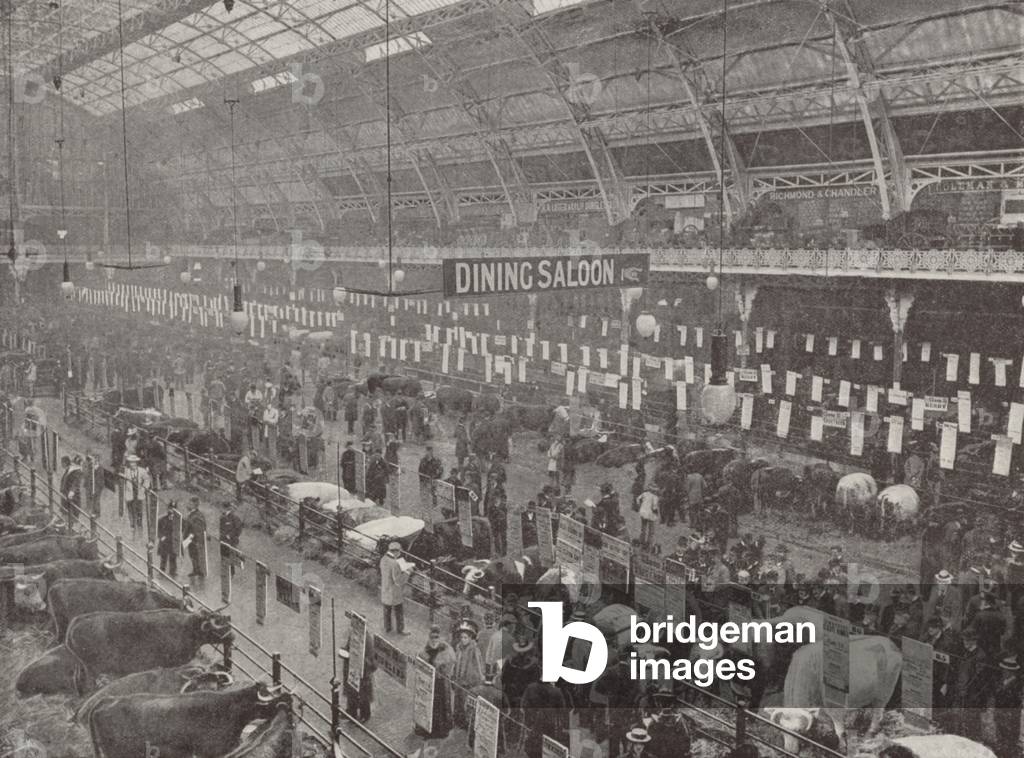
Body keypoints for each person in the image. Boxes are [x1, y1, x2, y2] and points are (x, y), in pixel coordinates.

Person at [418, 625, 456, 739]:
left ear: (439, 637)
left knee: (442, 706)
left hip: (441, 683)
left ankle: (441, 730)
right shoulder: (425, 649)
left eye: (436, 637)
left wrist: (443, 671)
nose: (434, 639)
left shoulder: (446, 649)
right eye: (432, 637)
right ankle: (428, 729)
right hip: (429, 683)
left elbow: (452, 662)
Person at [452, 620, 485, 729]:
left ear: (471, 638)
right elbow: (456, 662)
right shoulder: (458, 647)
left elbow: (479, 666)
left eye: (465, 638)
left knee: (466, 701)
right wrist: (453, 674)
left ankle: (465, 722)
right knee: (458, 700)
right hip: (459, 679)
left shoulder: (474, 649)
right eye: (461, 637)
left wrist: (481, 679)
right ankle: (457, 718)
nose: (463, 640)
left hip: (469, 681)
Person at [338, 634, 376, 723]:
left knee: (363, 694)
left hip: (363, 671)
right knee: (351, 691)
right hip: (352, 669)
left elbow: (370, 660)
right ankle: (351, 712)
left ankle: (365, 714)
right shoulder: (353, 634)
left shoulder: (367, 639)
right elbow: (348, 647)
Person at [993, 655, 1023, 758]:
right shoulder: (1000, 682)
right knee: (1001, 737)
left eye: (1005, 670)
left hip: (1010, 716)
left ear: (1011, 671)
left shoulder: (1017, 684)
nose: (1003, 672)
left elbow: (1016, 701)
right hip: (1000, 714)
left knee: (1010, 740)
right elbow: (996, 694)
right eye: (1003, 670)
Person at [380, 541, 411, 635]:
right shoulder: (395, 563)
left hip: (385, 588)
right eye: (399, 552)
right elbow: (398, 581)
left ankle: (387, 628)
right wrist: (407, 572)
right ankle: (400, 629)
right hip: (394, 591)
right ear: (396, 551)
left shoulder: (383, 559)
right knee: (399, 610)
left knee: (387, 609)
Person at [122, 454, 151, 531]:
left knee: (139, 510)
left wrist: (143, 488)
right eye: (131, 463)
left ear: (136, 463)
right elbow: (122, 479)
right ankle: (132, 525)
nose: (133, 464)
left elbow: (147, 480)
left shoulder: (142, 471)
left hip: (139, 493)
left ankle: (139, 524)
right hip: (130, 493)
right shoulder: (126, 471)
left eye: (134, 462)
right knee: (130, 509)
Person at [184, 497, 207, 578]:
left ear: (195, 505)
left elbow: (198, 529)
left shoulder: (197, 516)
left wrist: (193, 538)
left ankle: (200, 571)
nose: (188, 505)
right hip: (190, 539)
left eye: (190, 503)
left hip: (194, 540)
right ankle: (195, 569)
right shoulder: (191, 514)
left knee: (196, 555)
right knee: (192, 555)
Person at [219, 502, 243, 578]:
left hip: (231, 541)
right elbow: (221, 529)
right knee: (223, 556)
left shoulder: (234, 517)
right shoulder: (222, 517)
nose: (221, 509)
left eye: (222, 508)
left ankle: (231, 573)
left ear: (226, 508)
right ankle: (225, 572)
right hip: (223, 541)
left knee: (231, 557)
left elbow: (238, 529)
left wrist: (230, 535)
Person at [157, 506, 180, 577]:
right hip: (165, 542)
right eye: (170, 509)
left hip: (172, 542)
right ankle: (162, 571)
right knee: (163, 557)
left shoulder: (178, 520)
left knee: (173, 557)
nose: (171, 511)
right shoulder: (162, 520)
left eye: (174, 509)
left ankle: (172, 572)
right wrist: (161, 537)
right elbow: (158, 530)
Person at [637, 483, 659, 548]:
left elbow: (638, 499)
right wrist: (657, 514)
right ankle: (649, 543)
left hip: (643, 513)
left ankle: (642, 540)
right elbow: (654, 507)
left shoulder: (645, 494)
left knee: (643, 528)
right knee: (651, 530)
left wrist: (640, 505)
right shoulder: (655, 497)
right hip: (650, 515)